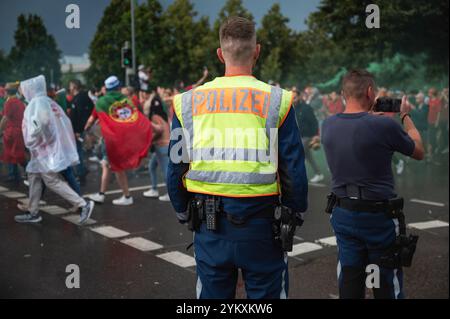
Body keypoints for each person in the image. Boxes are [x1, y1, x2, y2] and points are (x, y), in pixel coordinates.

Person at [167, 16, 308, 299]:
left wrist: (183, 211)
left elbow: (176, 166)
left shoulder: (188, 102)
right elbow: (292, 166)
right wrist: (294, 211)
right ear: (257, 51)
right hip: (264, 226)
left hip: (209, 226)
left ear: (220, 54)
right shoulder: (277, 100)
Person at [322, 69, 424, 299]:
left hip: (344, 213)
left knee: (350, 277)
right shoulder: (383, 126)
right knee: (385, 282)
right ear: (370, 92)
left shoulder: (327, 125)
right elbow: (419, 151)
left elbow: (355, 128)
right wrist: (405, 116)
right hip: (379, 218)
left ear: (342, 94)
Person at [15, 75, 94, 224]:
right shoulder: (47, 101)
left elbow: (42, 122)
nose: (22, 91)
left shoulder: (37, 103)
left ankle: (83, 204)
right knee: (33, 176)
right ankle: (33, 211)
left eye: (24, 89)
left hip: (44, 150)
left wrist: (34, 135)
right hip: (45, 149)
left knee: (51, 180)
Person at [84, 75, 152, 205]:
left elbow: (90, 121)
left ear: (107, 88)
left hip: (110, 141)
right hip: (122, 140)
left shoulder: (101, 102)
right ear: (118, 87)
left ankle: (126, 196)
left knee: (116, 167)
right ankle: (102, 194)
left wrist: (86, 130)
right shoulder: (127, 100)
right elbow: (135, 117)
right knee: (107, 165)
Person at [142, 86, 170, 201]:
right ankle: (154, 189)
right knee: (152, 166)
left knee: (165, 171)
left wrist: (150, 140)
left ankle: (170, 194)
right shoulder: (161, 114)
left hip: (162, 146)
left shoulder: (154, 116)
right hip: (161, 146)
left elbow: (159, 130)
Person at [292, 88, 324, 183]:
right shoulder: (290, 109)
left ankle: (296, 177)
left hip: (307, 136)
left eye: (294, 97)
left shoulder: (306, 108)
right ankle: (319, 174)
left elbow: (314, 122)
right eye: (291, 98)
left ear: (299, 97)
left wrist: (316, 135)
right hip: (298, 136)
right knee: (308, 156)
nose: (293, 99)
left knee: (298, 153)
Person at [69, 79, 94, 183]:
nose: (69, 88)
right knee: (79, 151)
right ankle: (82, 170)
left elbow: (79, 116)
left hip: (79, 130)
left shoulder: (78, 99)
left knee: (78, 151)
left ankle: (81, 173)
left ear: (74, 87)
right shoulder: (85, 97)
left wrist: (78, 130)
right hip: (83, 128)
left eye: (70, 86)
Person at [0, 82, 26, 182]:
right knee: (13, 154)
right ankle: (14, 176)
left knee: (16, 155)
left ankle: (29, 171)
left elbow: (5, 118)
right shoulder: (19, 102)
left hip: (12, 133)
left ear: (7, 92)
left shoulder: (10, 102)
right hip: (18, 131)